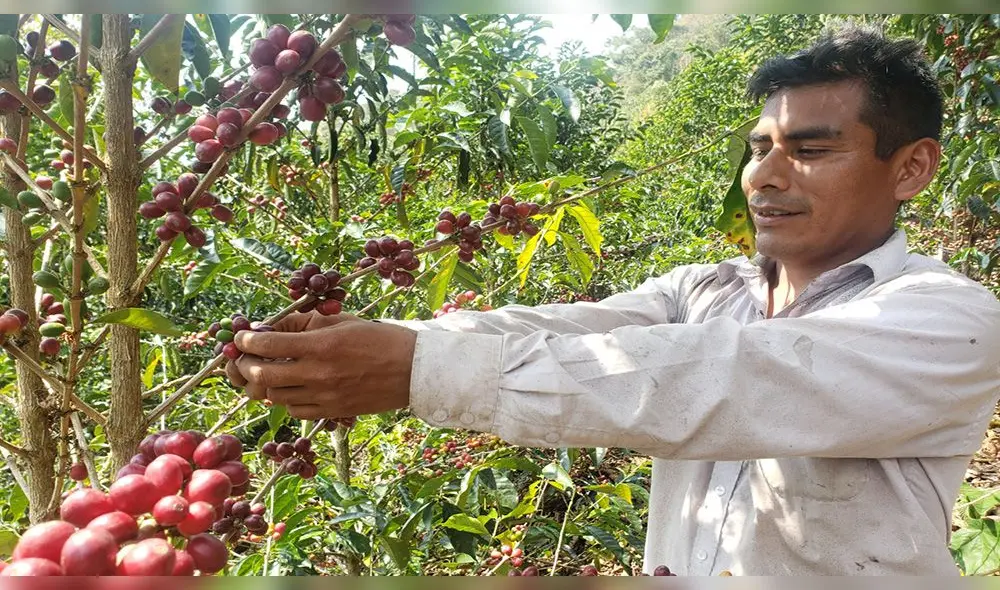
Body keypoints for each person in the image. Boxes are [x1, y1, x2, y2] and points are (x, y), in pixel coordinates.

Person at [225, 23, 1000, 575]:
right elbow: (569, 329)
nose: (764, 176)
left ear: (912, 168)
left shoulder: (949, 320)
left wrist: (421, 369)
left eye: (811, 149)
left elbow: (724, 378)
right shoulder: (705, 289)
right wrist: (384, 339)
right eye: (759, 147)